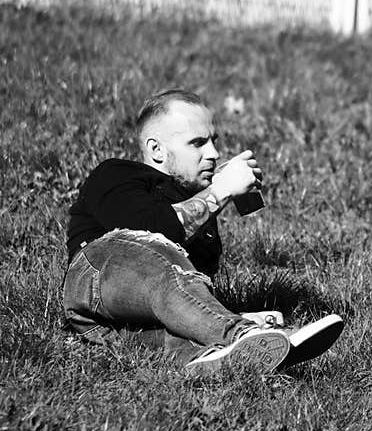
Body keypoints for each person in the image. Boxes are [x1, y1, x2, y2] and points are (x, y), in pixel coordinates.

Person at [62, 88, 344, 375]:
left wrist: (232, 313)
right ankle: (239, 333)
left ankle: (224, 358)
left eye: (213, 141)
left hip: (107, 329)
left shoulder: (197, 210)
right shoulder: (117, 173)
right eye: (197, 143)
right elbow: (152, 232)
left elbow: (184, 290)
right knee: (157, 253)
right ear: (157, 149)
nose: (214, 153)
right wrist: (221, 190)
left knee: (173, 343)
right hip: (95, 277)